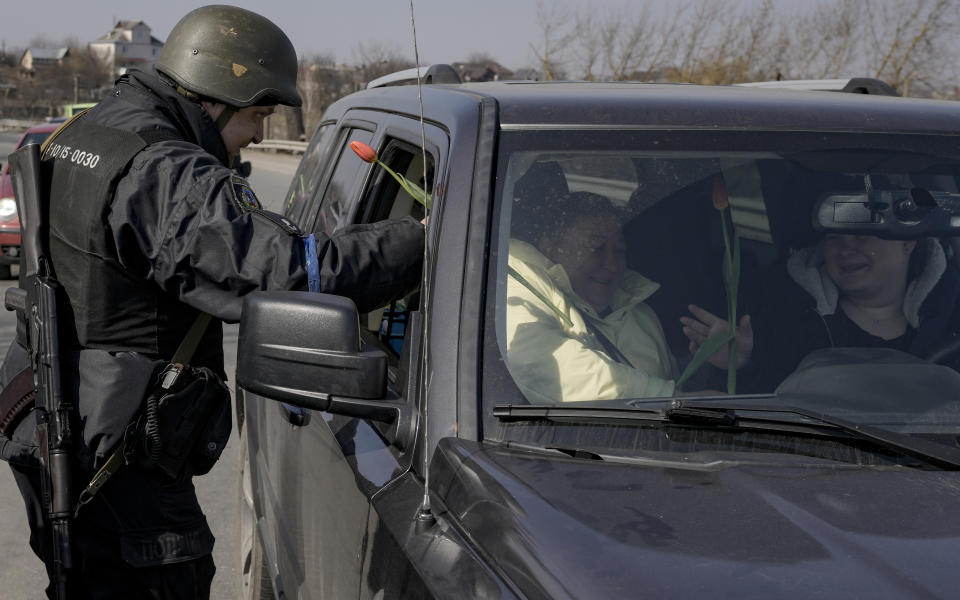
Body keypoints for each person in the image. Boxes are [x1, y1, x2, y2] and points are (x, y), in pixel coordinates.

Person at [1, 6, 424, 598]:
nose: (257, 133)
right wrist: (424, 239)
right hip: (116, 464)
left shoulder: (96, 126)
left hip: (62, 427)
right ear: (216, 94)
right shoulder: (162, 172)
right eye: (257, 114)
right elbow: (291, 272)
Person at [681, 233, 960, 392]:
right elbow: (763, 413)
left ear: (907, 242)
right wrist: (744, 363)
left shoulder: (953, 315)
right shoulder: (787, 318)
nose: (846, 248)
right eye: (834, 236)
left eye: (862, 232)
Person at [505, 190, 679, 403]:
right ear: (549, 248)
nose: (612, 264)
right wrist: (664, 398)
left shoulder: (640, 311)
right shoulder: (517, 286)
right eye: (596, 248)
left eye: (619, 250)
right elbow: (538, 362)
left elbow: (679, 385)